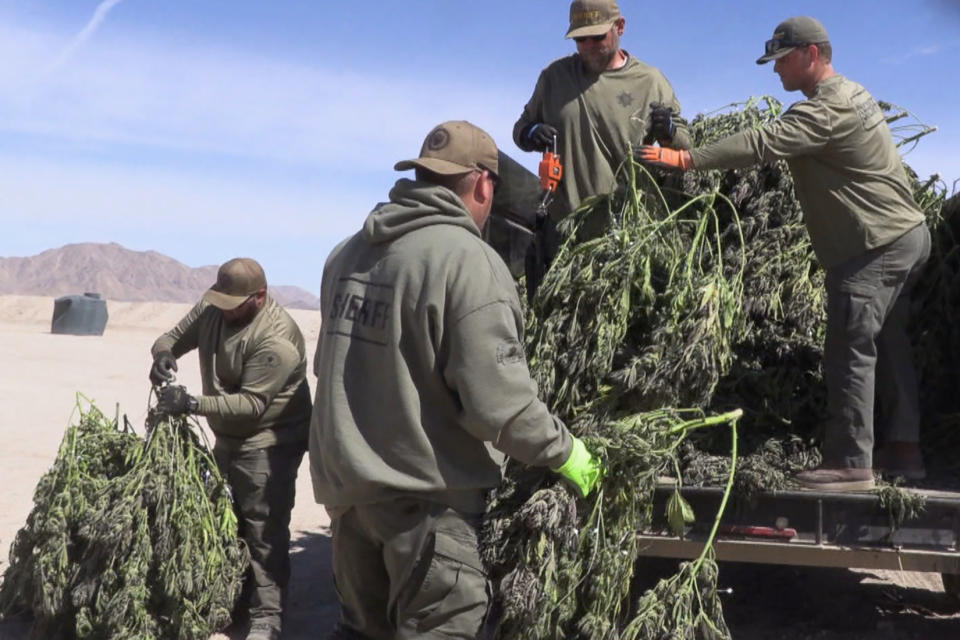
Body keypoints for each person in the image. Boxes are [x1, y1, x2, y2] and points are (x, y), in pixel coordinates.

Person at [309, 121, 603, 639]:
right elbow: (501, 407)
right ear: (483, 184)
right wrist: (569, 454)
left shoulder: (345, 255)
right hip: (426, 507)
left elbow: (330, 370)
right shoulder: (468, 262)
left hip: (349, 502)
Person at [639, 16, 931, 491]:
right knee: (888, 344)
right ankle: (904, 450)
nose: (775, 72)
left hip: (872, 246)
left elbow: (761, 143)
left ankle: (851, 463)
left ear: (811, 54)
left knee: (849, 350)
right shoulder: (853, 94)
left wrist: (686, 158)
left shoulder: (823, 112)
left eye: (782, 60)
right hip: (906, 237)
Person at [148, 257, 312, 640]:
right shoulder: (216, 307)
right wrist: (162, 355)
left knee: (262, 528)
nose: (223, 309)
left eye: (233, 303)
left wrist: (191, 404)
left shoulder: (276, 339)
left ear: (259, 297)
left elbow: (250, 407)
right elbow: (171, 337)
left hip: (269, 442)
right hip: (229, 438)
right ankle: (233, 599)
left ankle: (267, 616)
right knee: (226, 517)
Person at [513, 0, 692, 283]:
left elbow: (686, 149)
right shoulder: (554, 78)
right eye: (580, 39)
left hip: (626, 240)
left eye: (597, 36)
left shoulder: (650, 82)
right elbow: (520, 129)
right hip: (563, 238)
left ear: (620, 27)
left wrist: (669, 131)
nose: (588, 45)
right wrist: (531, 133)